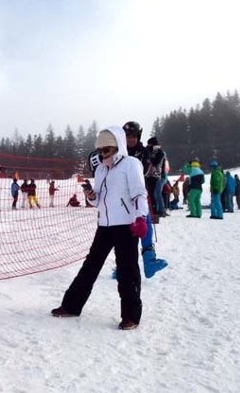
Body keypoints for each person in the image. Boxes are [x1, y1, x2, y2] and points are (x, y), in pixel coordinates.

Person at [52, 126, 146, 330]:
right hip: (104, 225)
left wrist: (140, 218)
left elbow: (139, 193)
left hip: (126, 225)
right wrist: (91, 195)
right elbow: (98, 200)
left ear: (118, 146)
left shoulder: (131, 164)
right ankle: (71, 305)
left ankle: (131, 316)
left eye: (107, 150)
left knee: (127, 269)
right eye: (100, 150)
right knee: (90, 266)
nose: (103, 154)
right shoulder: (101, 169)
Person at [120, 121, 167, 278]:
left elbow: (146, 169)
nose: (131, 139)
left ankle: (149, 260)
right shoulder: (118, 150)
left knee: (145, 224)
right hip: (121, 197)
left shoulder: (142, 151)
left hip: (138, 193)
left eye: (134, 136)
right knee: (124, 231)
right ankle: (122, 268)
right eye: (128, 136)